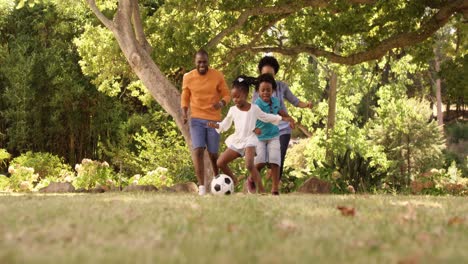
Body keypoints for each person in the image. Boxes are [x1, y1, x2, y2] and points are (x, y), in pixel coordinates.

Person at [207, 76, 292, 194]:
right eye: (233, 97)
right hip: (237, 140)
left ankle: (261, 190)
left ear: (246, 94)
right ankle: (235, 181)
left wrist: (282, 118)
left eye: (238, 97)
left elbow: (266, 117)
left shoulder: (254, 108)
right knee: (220, 162)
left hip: (250, 140)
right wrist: (217, 126)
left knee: (249, 165)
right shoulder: (232, 109)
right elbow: (225, 124)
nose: (235, 100)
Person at [252, 56, 313, 182]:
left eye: (271, 75)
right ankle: (254, 181)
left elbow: (295, 101)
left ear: (275, 74)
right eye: (265, 74)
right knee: (263, 160)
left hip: (283, 129)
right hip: (266, 130)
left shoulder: (281, 86)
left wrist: (306, 105)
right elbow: (253, 111)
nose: (268, 77)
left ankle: (275, 188)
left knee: (278, 158)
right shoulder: (257, 89)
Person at [181, 49, 230, 196]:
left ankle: (217, 180)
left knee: (213, 154)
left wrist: (221, 104)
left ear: (208, 62)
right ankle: (201, 187)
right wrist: (184, 112)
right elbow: (185, 96)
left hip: (213, 120)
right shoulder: (188, 77)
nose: (202, 64)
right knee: (198, 151)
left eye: (204, 62)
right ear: (195, 62)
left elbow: (227, 94)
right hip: (196, 119)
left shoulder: (217, 75)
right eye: (199, 62)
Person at [253, 74, 295, 195]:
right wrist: (253, 129)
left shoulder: (276, 101)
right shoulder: (257, 104)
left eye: (268, 90)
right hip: (260, 138)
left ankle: (275, 189)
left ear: (273, 91)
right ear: (258, 91)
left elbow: (280, 111)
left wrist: (289, 118)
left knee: (275, 161)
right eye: (263, 90)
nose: (266, 92)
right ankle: (252, 179)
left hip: (273, 136)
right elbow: (264, 117)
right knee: (260, 161)